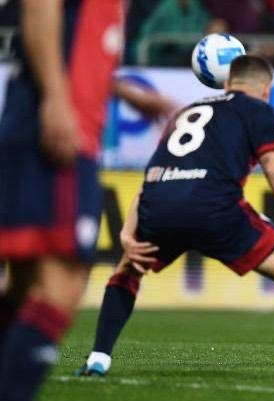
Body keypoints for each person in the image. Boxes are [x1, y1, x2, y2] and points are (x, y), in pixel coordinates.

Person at [75, 55, 274, 384]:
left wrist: (128, 235)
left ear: (227, 83)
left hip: (161, 205)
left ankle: (97, 361)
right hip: (214, 207)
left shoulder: (187, 112)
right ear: (266, 90)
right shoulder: (257, 109)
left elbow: (154, 175)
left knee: (127, 272)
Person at [0, 1, 125, 400]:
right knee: (63, 280)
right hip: (58, 130)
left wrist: (128, 93)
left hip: (50, 122)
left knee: (24, 287)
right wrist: (56, 99)